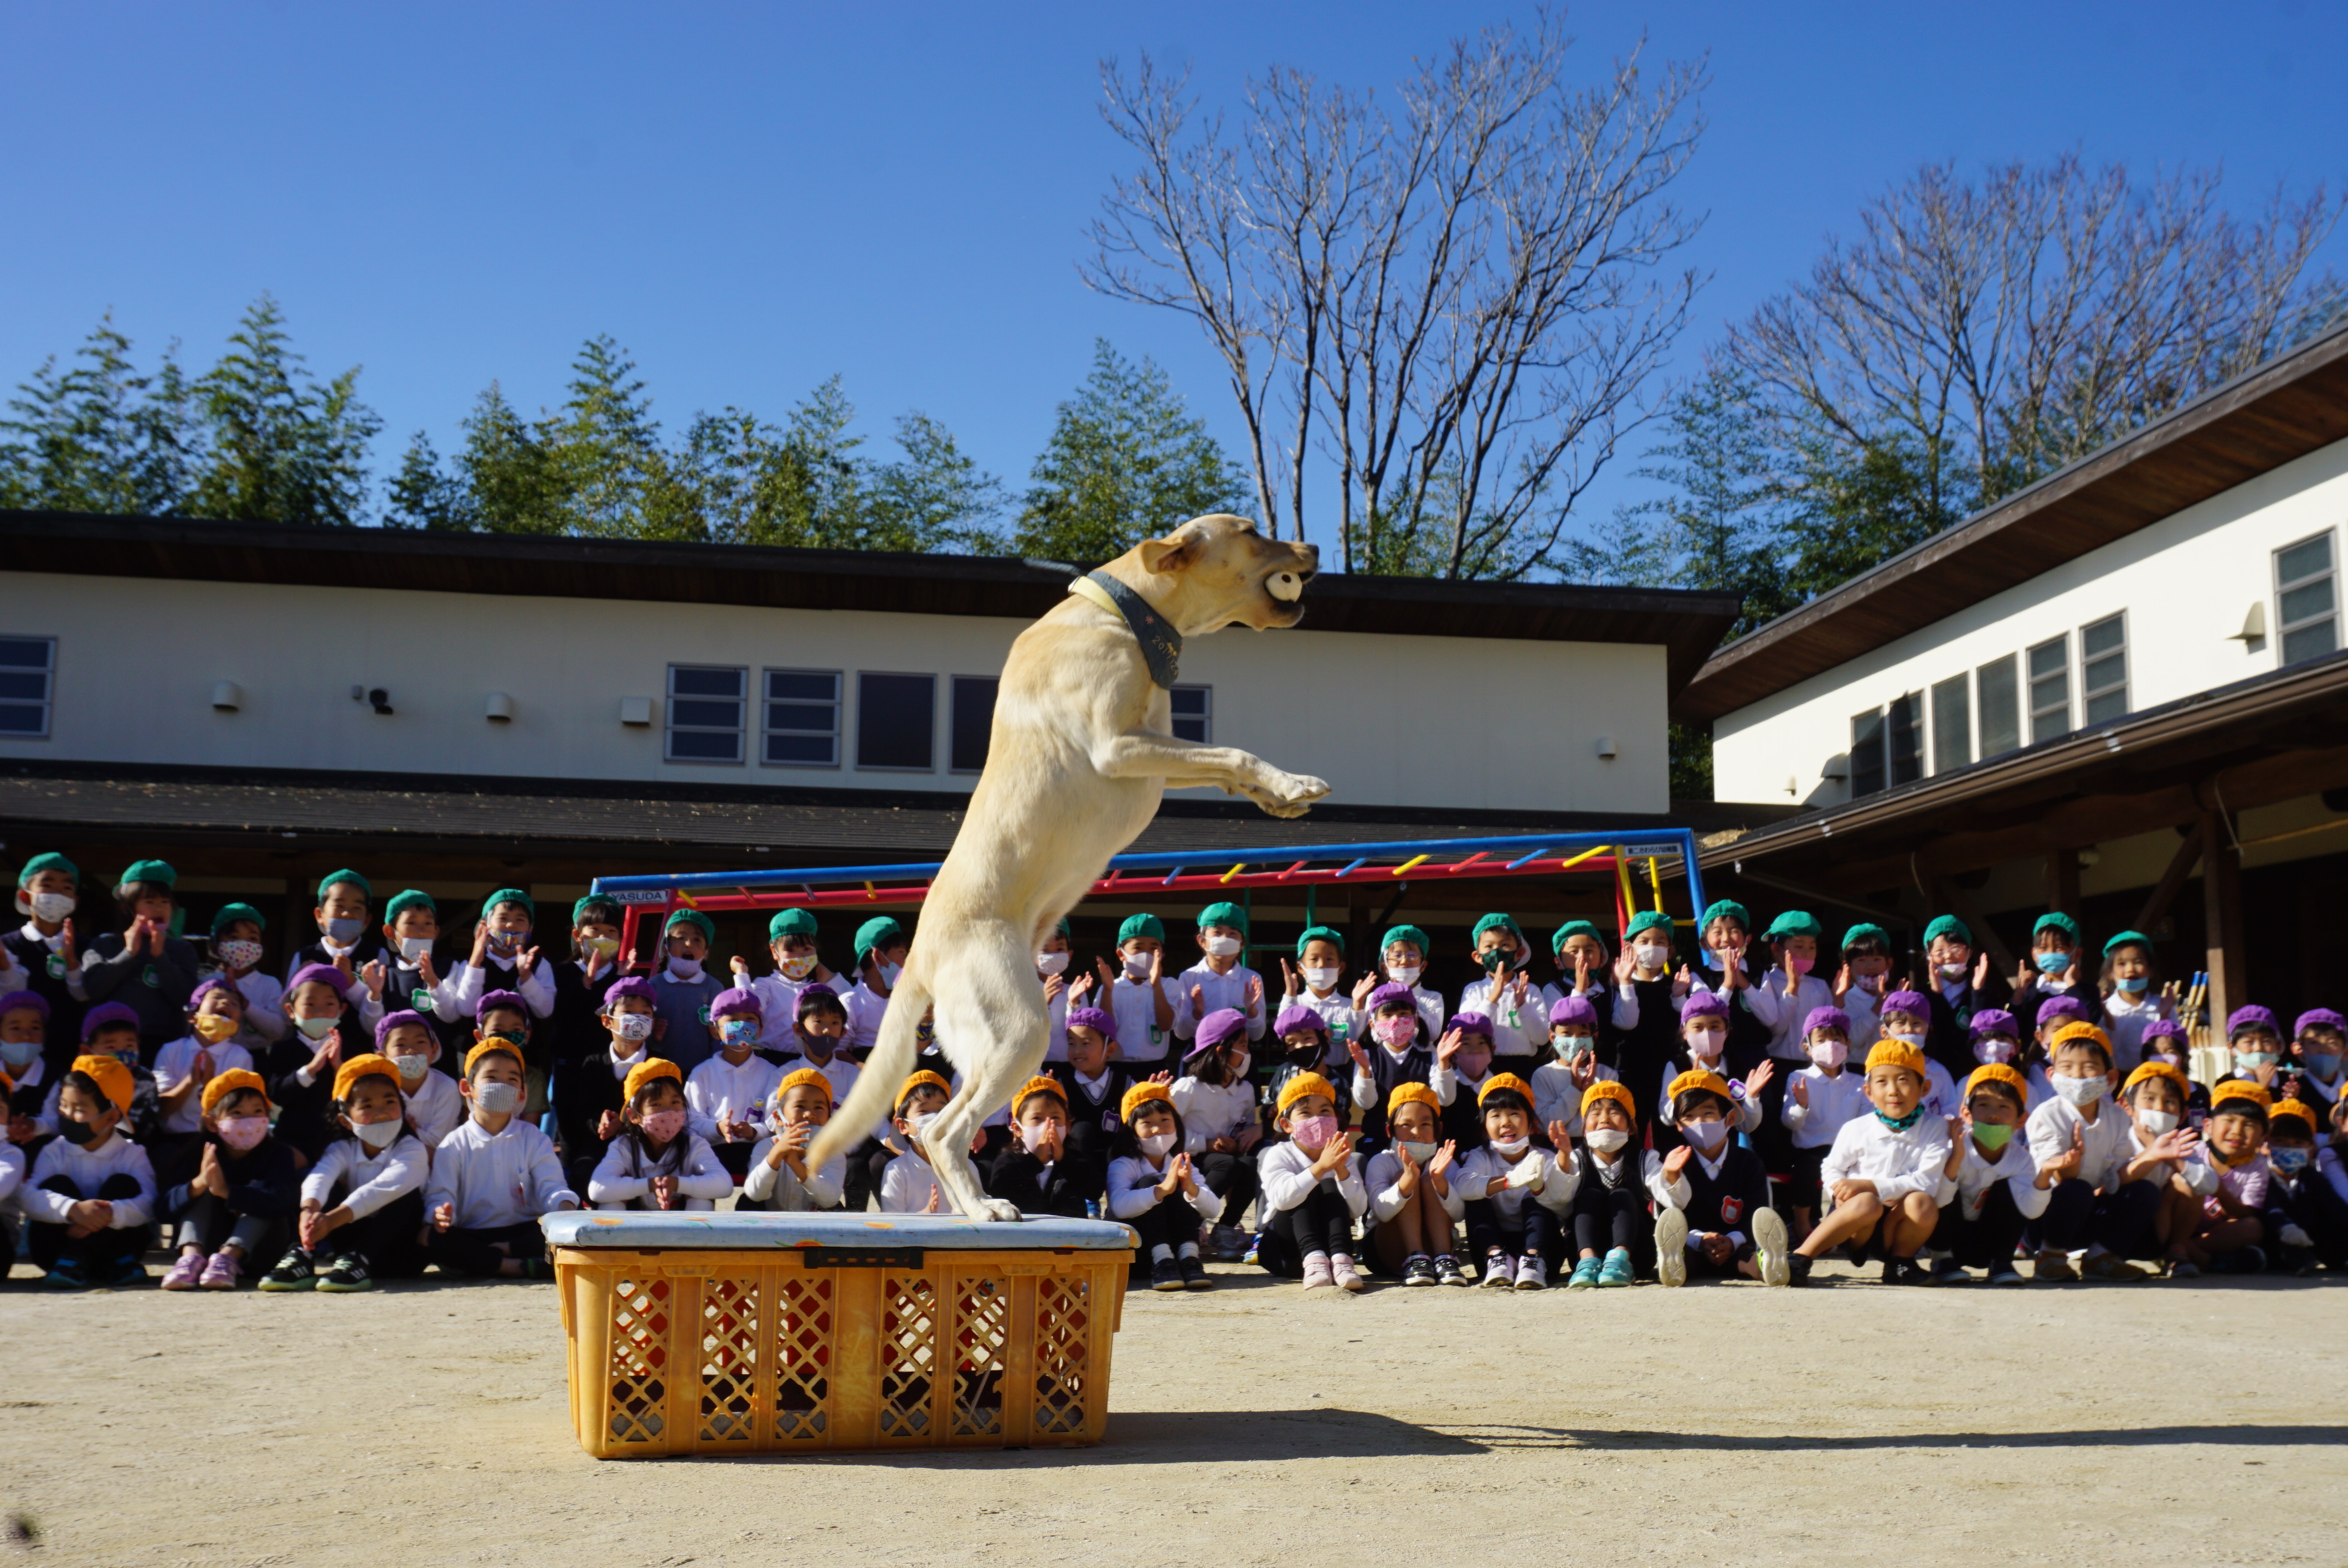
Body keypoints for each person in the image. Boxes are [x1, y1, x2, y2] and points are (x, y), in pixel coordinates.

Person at [1785, 1040, 1953, 1286]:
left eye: (1904, 1080)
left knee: (1923, 1202)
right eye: (1882, 1082)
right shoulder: (1856, 1128)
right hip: (1856, 1223)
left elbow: (1926, 1183)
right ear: (1868, 1092)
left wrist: (1869, 1185)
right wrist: (1837, 1192)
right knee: (1867, 1203)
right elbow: (1831, 1168)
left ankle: (1900, 1263)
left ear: (1925, 1088)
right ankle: (1800, 1258)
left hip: (1897, 1225)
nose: (1893, 1091)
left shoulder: (1936, 1128)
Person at [261, 1052, 429, 1292]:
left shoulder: (412, 1149)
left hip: (400, 1254)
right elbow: (320, 1176)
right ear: (346, 1120)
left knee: (405, 1196)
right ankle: (302, 1253)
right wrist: (309, 1212)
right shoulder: (342, 1149)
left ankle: (359, 1258)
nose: (381, 1111)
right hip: (347, 1248)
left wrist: (332, 1220)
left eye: (389, 1101)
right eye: (367, 1105)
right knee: (317, 1191)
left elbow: (382, 1189)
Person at [425, 1037, 579, 1277]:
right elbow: (440, 1195)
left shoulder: (534, 1138)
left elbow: (552, 1188)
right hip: (474, 1232)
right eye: (491, 1078)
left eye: (512, 1079)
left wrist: (565, 1207)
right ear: (467, 1087)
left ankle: (490, 1258)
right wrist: (441, 1214)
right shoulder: (453, 1144)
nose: (502, 1085)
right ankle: (516, 1266)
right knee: (429, 1236)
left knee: (561, 1232)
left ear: (521, 1093)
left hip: (524, 1233)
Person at [2023, 1021, 2154, 1281]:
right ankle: (2050, 1256)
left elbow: (2117, 1176)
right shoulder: (2046, 1115)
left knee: (2145, 1192)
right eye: (2067, 1068)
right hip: (2047, 1216)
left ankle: (2100, 1257)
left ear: (2111, 1078)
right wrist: (2072, 1160)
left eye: (2089, 1068)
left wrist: (2153, 1155)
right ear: (2052, 1076)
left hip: (2090, 1210)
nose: (2078, 1077)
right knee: (2077, 1189)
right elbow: (2058, 1179)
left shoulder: (2117, 1118)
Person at [157, 1068, 298, 1293]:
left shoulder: (279, 1154)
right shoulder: (198, 1153)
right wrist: (200, 1184)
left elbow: (282, 1201)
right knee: (199, 1190)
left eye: (257, 1112)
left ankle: (228, 1259)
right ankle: (190, 1260)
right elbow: (163, 1210)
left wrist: (228, 1192)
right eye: (237, 1113)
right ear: (213, 1123)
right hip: (208, 1245)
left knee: (261, 1196)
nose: (250, 1121)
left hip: (262, 1252)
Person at [22, 1053, 157, 1288]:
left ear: (111, 1118)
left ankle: (80, 1259)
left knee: (124, 1184)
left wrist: (108, 1214)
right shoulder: (55, 1151)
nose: (67, 1115)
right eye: (63, 1106)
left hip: (116, 1255)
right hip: (56, 1254)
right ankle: (71, 1260)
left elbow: (149, 1203)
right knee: (56, 1185)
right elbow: (28, 1197)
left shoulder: (132, 1154)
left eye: (79, 1109)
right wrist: (73, 1210)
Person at [1648, 1067, 1790, 1287]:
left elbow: (1760, 1215)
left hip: (1739, 1247)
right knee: (1683, 1256)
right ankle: (1673, 1263)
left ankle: (1769, 1264)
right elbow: (1667, 1216)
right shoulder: (1675, 1162)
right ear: (1678, 1125)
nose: (1699, 1122)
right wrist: (1699, 1240)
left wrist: (1732, 1241)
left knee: (1750, 1259)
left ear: (1730, 1118)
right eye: (1689, 1116)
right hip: (1692, 1246)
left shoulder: (1748, 1162)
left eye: (1708, 1113)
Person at [1453, 1073, 1579, 1290]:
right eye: (1496, 1115)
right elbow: (1463, 1186)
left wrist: (1563, 1159)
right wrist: (1507, 1181)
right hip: (1494, 1253)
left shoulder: (1544, 1157)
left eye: (1514, 1114)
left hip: (1544, 1251)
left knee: (1535, 1199)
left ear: (1531, 1124)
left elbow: (1565, 1204)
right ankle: (1497, 1258)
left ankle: (1532, 1260)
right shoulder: (1480, 1157)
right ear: (1484, 1127)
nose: (1506, 1123)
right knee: (1475, 1199)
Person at [1928, 1063, 2046, 1285]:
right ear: (1967, 1114)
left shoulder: (2021, 1159)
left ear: (2021, 1120)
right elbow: (1940, 1201)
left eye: (2004, 1107)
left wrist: (2045, 1174)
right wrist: (1955, 1160)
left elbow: (2031, 1211)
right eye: (1984, 1105)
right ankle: (1941, 1259)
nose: (1993, 1115)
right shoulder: (1952, 1148)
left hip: (1988, 1241)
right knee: (1944, 1182)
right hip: (1951, 1238)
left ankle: (2001, 1262)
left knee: (2009, 1188)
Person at [772, 983, 883, 1210]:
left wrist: (890, 1139)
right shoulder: (785, 1073)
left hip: (842, 1153)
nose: (826, 1030)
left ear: (843, 1032)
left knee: (856, 1167)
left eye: (834, 1024)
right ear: (799, 1029)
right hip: (796, 1149)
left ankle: (853, 1225)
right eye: (819, 1022)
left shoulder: (853, 1074)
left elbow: (870, 1118)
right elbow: (772, 1118)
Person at [1254, 1071, 1369, 1290]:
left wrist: (1341, 1170)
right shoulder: (1278, 1154)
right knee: (1312, 1186)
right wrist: (1320, 1168)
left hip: (1331, 1253)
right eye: (1305, 1113)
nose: (1317, 1119)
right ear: (1286, 1125)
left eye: (1325, 1111)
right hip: (1285, 1252)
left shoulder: (1341, 1154)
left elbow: (1358, 1209)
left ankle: (1343, 1261)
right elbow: (1281, 1200)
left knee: (1329, 1186)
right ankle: (1313, 1260)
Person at [1741, 910, 1834, 1172]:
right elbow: (1777, 1028)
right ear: (1777, 949)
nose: (1806, 953)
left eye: (1811, 947)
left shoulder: (1819, 985)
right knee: (1776, 1129)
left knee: (1807, 1125)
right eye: (1798, 947)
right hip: (1778, 1065)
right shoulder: (1766, 980)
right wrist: (1792, 986)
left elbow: (1829, 1028)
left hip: (1811, 1068)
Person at [78, 858, 199, 1055]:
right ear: (127, 908)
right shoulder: (105, 944)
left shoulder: (181, 950)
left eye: (165, 902)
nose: (159, 908)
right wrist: (128, 954)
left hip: (164, 1045)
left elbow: (184, 997)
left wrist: (160, 957)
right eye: (149, 902)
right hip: (111, 1044)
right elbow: (93, 988)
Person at [1107, 1080, 1222, 1290]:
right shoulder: (1123, 1164)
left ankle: (1189, 1258)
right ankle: (1162, 1260)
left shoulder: (1182, 1163)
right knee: (1151, 1183)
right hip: (1138, 1255)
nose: (1158, 1128)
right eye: (1147, 1123)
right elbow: (1119, 1207)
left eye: (1165, 1120)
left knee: (1186, 1190)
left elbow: (1214, 1209)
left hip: (1177, 1254)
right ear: (1132, 1131)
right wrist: (1161, 1190)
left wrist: (1190, 1189)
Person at [149, 979, 255, 1195]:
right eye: (216, 998)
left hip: (219, 1140)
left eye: (234, 1004)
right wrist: (190, 1082)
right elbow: (161, 1110)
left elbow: (240, 1112)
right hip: (174, 1140)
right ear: (192, 1016)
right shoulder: (171, 1051)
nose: (226, 1003)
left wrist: (211, 1086)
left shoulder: (240, 1057)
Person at [589, 1059, 734, 1212]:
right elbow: (597, 1189)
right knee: (611, 1204)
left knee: (701, 1201)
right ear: (634, 1116)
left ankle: (695, 1237)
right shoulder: (623, 1147)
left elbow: (724, 1186)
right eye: (656, 1105)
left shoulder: (693, 1143)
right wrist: (650, 1185)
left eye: (675, 1102)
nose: (668, 1112)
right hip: (635, 1226)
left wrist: (678, 1184)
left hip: (682, 1226)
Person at [1172, 1008, 1260, 1254]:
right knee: (1226, 1165)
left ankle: (1225, 1228)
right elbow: (1169, 1133)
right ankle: (1191, 1222)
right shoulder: (1188, 1088)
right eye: (1242, 1045)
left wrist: (1236, 1144)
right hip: (1190, 1159)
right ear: (1222, 1051)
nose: (1247, 1052)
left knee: (1251, 1165)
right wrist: (1205, 1144)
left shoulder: (1246, 1090)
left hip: (1224, 1159)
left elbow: (1244, 1127)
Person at [1360, 1081, 1464, 1285]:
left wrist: (1440, 1182)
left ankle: (1444, 1258)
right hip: (1388, 1249)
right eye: (1406, 1125)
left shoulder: (1444, 1163)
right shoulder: (1381, 1162)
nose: (1416, 1132)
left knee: (1429, 1179)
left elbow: (1459, 1214)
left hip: (1434, 1246)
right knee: (1406, 1176)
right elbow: (1382, 1212)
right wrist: (1407, 1181)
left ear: (1438, 1129)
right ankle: (1416, 1257)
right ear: (1390, 1131)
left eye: (1425, 1124)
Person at [1781, 1004, 1870, 1242]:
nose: (1830, 1045)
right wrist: (1801, 1106)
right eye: (1821, 1040)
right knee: (1806, 1170)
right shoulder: (1799, 1079)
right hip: (1810, 1151)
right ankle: (1802, 1225)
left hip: (1849, 1153)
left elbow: (1867, 1122)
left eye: (1837, 1038)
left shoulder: (1859, 1082)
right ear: (1807, 1047)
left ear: (1848, 1044)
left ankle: (1842, 1228)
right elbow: (1790, 1123)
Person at [687, 987, 783, 1179]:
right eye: (732, 1021)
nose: (742, 1026)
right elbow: (691, 1120)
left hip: (756, 1153)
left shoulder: (772, 1073)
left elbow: (775, 1122)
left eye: (750, 1019)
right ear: (715, 1031)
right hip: (711, 1153)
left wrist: (753, 1132)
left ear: (760, 1030)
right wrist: (717, 1128)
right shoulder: (702, 1073)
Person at [1654, 992, 1767, 1155]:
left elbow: (1746, 1125)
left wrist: (1752, 1097)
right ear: (1684, 1032)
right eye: (1698, 1027)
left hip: (1725, 1155)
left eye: (1715, 1027)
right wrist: (1687, 1085)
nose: (1706, 1033)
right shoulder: (1677, 1066)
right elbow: (1666, 1117)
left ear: (1727, 1030)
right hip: (1683, 1153)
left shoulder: (1736, 1067)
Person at [369, 890, 470, 1071]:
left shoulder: (448, 967)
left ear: (436, 931)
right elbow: (373, 1027)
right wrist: (374, 995)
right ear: (390, 931)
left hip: (441, 1066)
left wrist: (434, 983)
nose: (421, 930)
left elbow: (451, 1015)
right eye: (411, 923)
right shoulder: (385, 974)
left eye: (428, 923)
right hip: (395, 1067)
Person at [6, 852, 86, 1070]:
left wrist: (72, 963)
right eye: (48, 886)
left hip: (73, 1054)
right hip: (19, 1056)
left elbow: (87, 995)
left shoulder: (88, 948)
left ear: (75, 901)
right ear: (25, 896)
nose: (57, 894)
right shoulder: (8, 946)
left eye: (67, 888)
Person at [985, 1075, 1105, 1220]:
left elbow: (1094, 1191)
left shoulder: (1076, 1159)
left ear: (1067, 1126)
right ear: (1018, 1129)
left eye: (1055, 1118)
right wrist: (1034, 1161)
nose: (1047, 1126)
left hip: (1070, 1239)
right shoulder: (1008, 1161)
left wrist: (1065, 1160)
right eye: (1037, 1119)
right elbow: (1000, 1192)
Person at [1564, 1080, 1646, 1288]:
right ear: (1583, 1129)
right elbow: (1558, 1199)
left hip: (1636, 1256)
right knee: (1589, 1195)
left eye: (1615, 1112)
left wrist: (1671, 1176)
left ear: (1631, 1127)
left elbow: (1669, 1195)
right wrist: (1562, 1160)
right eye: (1596, 1113)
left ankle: (1619, 1259)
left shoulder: (1645, 1159)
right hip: (1585, 1258)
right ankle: (1588, 1261)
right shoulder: (1575, 1159)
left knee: (1622, 1195)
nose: (1605, 1119)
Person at [2190, 1079, 2275, 1275]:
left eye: (2249, 1125)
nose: (2237, 1131)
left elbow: (2245, 1214)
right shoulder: (2192, 1153)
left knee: (2252, 1228)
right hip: (2182, 1225)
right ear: (2208, 1126)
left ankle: (2185, 1251)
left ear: (2264, 1137)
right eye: (2229, 1121)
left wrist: (2219, 1190)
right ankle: (2206, 1259)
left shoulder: (2258, 1167)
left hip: (2216, 1232)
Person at [1610, 910, 1683, 1135]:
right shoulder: (1617, 987)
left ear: (1669, 951)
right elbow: (1623, 1023)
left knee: (1669, 1133)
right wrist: (1625, 982)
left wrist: (1681, 996)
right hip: (1630, 1070)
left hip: (1669, 1071)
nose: (1652, 946)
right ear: (1630, 948)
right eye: (1644, 941)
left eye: (1660, 942)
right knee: (1630, 1131)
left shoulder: (1677, 985)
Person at [735, 909, 840, 1052]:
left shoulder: (821, 989)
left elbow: (848, 1002)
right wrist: (742, 975)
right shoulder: (766, 985)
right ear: (774, 951)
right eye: (790, 950)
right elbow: (748, 1009)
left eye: (807, 949)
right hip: (774, 1061)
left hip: (812, 1061)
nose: (799, 956)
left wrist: (828, 976)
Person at [1346, 982, 1435, 1149]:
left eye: (1403, 1014)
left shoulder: (1431, 1058)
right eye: (1388, 1015)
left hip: (1422, 1144)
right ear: (1373, 1024)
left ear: (1415, 1019)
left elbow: (1445, 1099)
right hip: (1378, 1142)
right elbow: (1366, 1103)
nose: (1396, 1021)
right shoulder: (1366, 1057)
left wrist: (1444, 1065)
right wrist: (1365, 1071)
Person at [743, 1068, 847, 1211]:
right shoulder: (766, 1147)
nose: (809, 1114)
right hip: (771, 1226)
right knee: (745, 1204)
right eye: (800, 1106)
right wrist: (777, 1154)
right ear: (779, 1118)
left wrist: (795, 1164)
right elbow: (755, 1194)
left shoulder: (833, 1154)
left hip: (814, 1229)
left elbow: (830, 1199)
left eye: (819, 1107)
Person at [1096, 914, 1188, 1074]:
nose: (1146, 954)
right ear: (1121, 954)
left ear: (1162, 955)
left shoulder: (1169, 985)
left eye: (1154, 948)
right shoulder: (1112, 987)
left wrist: (1156, 985)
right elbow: (1104, 1030)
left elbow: (1166, 1025)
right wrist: (1108, 990)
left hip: (1155, 1068)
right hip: (1115, 1068)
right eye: (1138, 948)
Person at [1457, 913, 1546, 1073]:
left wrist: (1523, 1006)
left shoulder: (1530, 991)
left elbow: (1542, 1038)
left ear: (1519, 953)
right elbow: (1467, 1030)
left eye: (1505, 945)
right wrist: (1493, 998)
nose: (1497, 952)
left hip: (1523, 1066)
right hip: (1483, 1066)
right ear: (1478, 957)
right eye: (1489, 947)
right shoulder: (1474, 990)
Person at [2261, 1098, 2339, 1272]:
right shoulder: (2260, 1175)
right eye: (2280, 1141)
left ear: (2311, 1147)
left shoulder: (2312, 1178)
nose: (2289, 1147)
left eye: (2298, 1143)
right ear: (2266, 1143)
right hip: (2271, 1238)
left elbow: (2335, 1208)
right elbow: (2266, 1208)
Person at [1174, 902, 1267, 1047]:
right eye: (1217, 933)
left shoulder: (1252, 979)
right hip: (1201, 1052)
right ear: (1202, 941)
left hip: (1239, 1053)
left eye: (1233, 934)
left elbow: (1257, 1035)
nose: (1225, 938)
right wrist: (1197, 1013)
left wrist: (1251, 1011)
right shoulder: (1189, 977)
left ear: (1242, 944)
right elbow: (1181, 1033)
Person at [1917, 914, 1999, 1079]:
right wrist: (1936, 994)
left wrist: (1978, 992)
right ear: (1929, 956)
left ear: (1969, 952)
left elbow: (1986, 1033)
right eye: (1939, 951)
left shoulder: (1985, 991)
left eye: (1956, 949)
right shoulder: (1920, 995)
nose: (1948, 956)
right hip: (1933, 1078)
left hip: (1974, 1074)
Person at [1530, 994, 1618, 1139]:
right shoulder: (1544, 1075)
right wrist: (1575, 1089)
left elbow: (1612, 1117)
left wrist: (1591, 1090)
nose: (1575, 1040)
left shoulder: (1607, 1075)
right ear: (1553, 1037)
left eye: (1583, 1034)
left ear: (1594, 1038)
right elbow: (1545, 1124)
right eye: (1566, 1033)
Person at [205, 902, 286, 1059]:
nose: (243, 945)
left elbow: (278, 1031)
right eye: (234, 938)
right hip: (213, 1057)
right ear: (215, 946)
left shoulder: (269, 984)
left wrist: (245, 1004)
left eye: (252, 938)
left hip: (256, 1058)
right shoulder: (205, 983)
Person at [1278, 925, 1357, 1083]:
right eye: (1314, 959)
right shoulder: (1296, 1002)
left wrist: (1359, 1005)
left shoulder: (1350, 1005)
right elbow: (1282, 1030)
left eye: (1329, 959)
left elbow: (1357, 1039)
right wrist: (1290, 993)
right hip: (1301, 1075)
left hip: (1340, 1076)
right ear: (1301, 967)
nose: (1322, 965)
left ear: (1341, 967)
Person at [1352, 923, 1446, 1056]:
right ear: (1385, 967)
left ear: (1423, 966)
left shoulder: (1433, 997)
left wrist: (1407, 998)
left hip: (1423, 1061)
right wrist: (1358, 1003)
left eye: (1412, 955)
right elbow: (1365, 1035)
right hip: (1385, 1061)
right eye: (1397, 955)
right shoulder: (1375, 998)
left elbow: (1433, 1034)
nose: (1404, 961)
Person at [375, 1009, 464, 1147]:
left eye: (420, 1042)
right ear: (383, 1057)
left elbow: (437, 1142)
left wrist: (400, 1130)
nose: (411, 1050)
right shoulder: (377, 1090)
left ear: (434, 1051)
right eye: (400, 1045)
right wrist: (411, 1131)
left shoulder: (446, 1088)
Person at [281, 869, 380, 983]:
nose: (347, 913)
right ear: (319, 915)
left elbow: (381, 998)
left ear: (367, 920)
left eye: (357, 908)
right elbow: (289, 998)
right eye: (339, 906)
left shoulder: (376, 955)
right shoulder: (304, 956)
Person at [1874, 989, 1960, 1120]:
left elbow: (1951, 1109)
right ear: (1884, 1031)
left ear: (1928, 1029)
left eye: (1916, 1024)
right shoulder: (1878, 1071)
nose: (1909, 1030)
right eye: (1901, 1023)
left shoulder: (1938, 1072)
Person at [878, 1071, 957, 1213]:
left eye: (941, 1110)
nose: (935, 1117)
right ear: (903, 1126)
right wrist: (926, 1214)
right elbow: (894, 1224)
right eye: (924, 1111)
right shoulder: (896, 1170)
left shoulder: (964, 1167)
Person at [1429, 1012, 1506, 1151]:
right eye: (1466, 1043)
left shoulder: (1502, 1085)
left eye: (1482, 1043)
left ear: (1492, 1048)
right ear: (1453, 1051)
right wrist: (1443, 1062)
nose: (1475, 1050)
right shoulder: (1448, 1082)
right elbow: (1445, 1099)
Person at [2096, 931, 2165, 1072]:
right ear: (2110, 973)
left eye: (2138, 962)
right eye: (2122, 964)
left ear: (2150, 970)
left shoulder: (2162, 1005)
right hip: (2117, 1080)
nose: (2130, 969)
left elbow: (2175, 1045)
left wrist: (2164, 1017)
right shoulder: (2107, 1008)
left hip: (2154, 1076)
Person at [842, 916, 909, 1057]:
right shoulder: (851, 1002)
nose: (908, 961)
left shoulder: (910, 999)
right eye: (902, 953)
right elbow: (839, 1052)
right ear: (878, 956)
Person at [1832, 921, 1894, 1053]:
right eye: (1862, 960)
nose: (1870, 966)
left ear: (1889, 964)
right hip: (1858, 1070)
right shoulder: (1846, 999)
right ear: (1847, 967)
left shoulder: (1894, 997)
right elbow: (1854, 1039)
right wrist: (1879, 1005)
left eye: (1877, 959)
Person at [2283, 1008, 2345, 1115]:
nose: (2324, 1050)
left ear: (2346, 1051)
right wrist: (2289, 1103)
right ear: (2298, 1049)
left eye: (2332, 1043)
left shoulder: (2346, 1087)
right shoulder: (2291, 1089)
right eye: (2314, 1043)